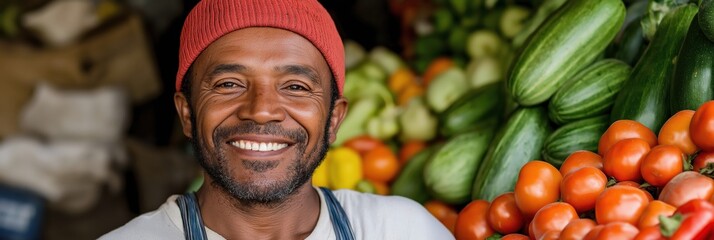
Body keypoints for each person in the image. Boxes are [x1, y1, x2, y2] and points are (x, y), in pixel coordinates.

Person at [101, 0, 454, 239]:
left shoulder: (401, 230)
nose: (262, 109)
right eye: (229, 84)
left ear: (334, 119)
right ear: (187, 113)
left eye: (295, 86)